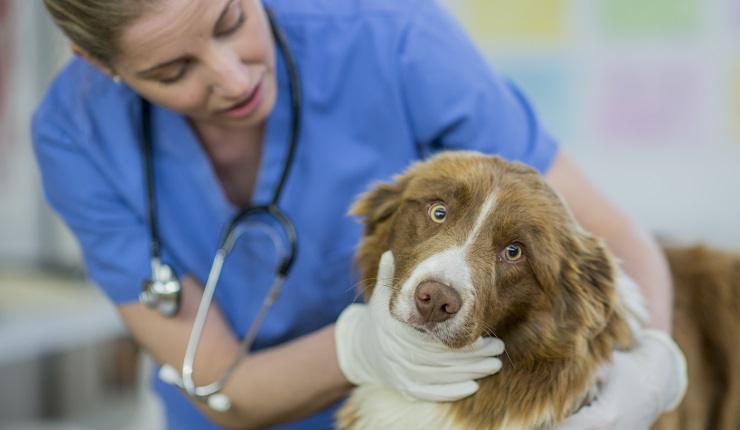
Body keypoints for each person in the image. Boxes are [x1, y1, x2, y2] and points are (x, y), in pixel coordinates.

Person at [33, 0, 686, 429]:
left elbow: (610, 233)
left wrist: (651, 363)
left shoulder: (389, 35)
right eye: (173, 69)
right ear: (97, 63)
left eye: (231, 20)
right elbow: (220, 385)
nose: (233, 80)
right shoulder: (75, 135)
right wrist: (360, 346)